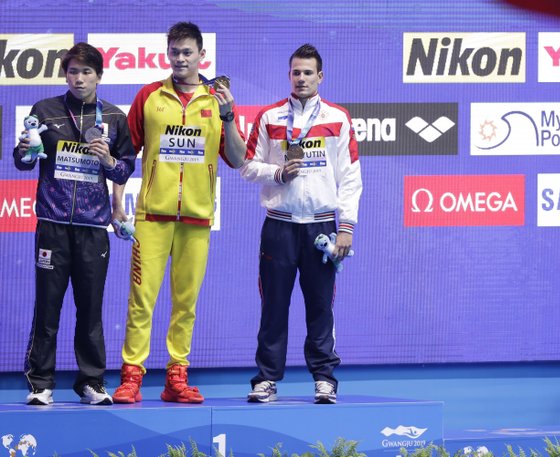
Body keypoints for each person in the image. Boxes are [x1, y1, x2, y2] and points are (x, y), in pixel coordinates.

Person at [110, 22, 246, 404]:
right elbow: (125, 154)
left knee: (185, 304)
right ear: (167, 54)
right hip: (151, 218)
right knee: (141, 301)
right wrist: (117, 202)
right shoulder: (149, 96)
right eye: (175, 52)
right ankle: (132, 378)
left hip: (197, 220)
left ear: (202, 55)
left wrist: (230, 116)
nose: (181, 59)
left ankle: (176, 378)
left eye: (188, 52)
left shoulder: (217, 100)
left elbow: (237, 159)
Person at [14, 42, 136, 406]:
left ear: (99, 75)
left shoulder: (113, 117)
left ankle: (91, 382)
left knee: (91, 307)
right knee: (47, 306)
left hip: (93, 227)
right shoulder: (45, 110)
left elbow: (127, 167)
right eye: (73, 71)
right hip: (51, 224)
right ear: (65, 74)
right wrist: (23, 150)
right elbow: (23, 162)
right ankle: (40, 383)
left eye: (86, 72)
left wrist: (110, 160)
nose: (79, 78)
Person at [240, 43, 362, 404]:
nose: (302, 78)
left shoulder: (338, 118)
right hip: (278, 225)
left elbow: (350, 176)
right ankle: (266, 379)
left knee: (320, 305)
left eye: (308, 72)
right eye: (296, 72)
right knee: (273, 304)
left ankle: (325, 378)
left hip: (322, 227)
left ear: (320, 76)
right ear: (289, 75)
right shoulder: (270, 117)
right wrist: (277, 172)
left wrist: (347, 225)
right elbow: (247, 165)